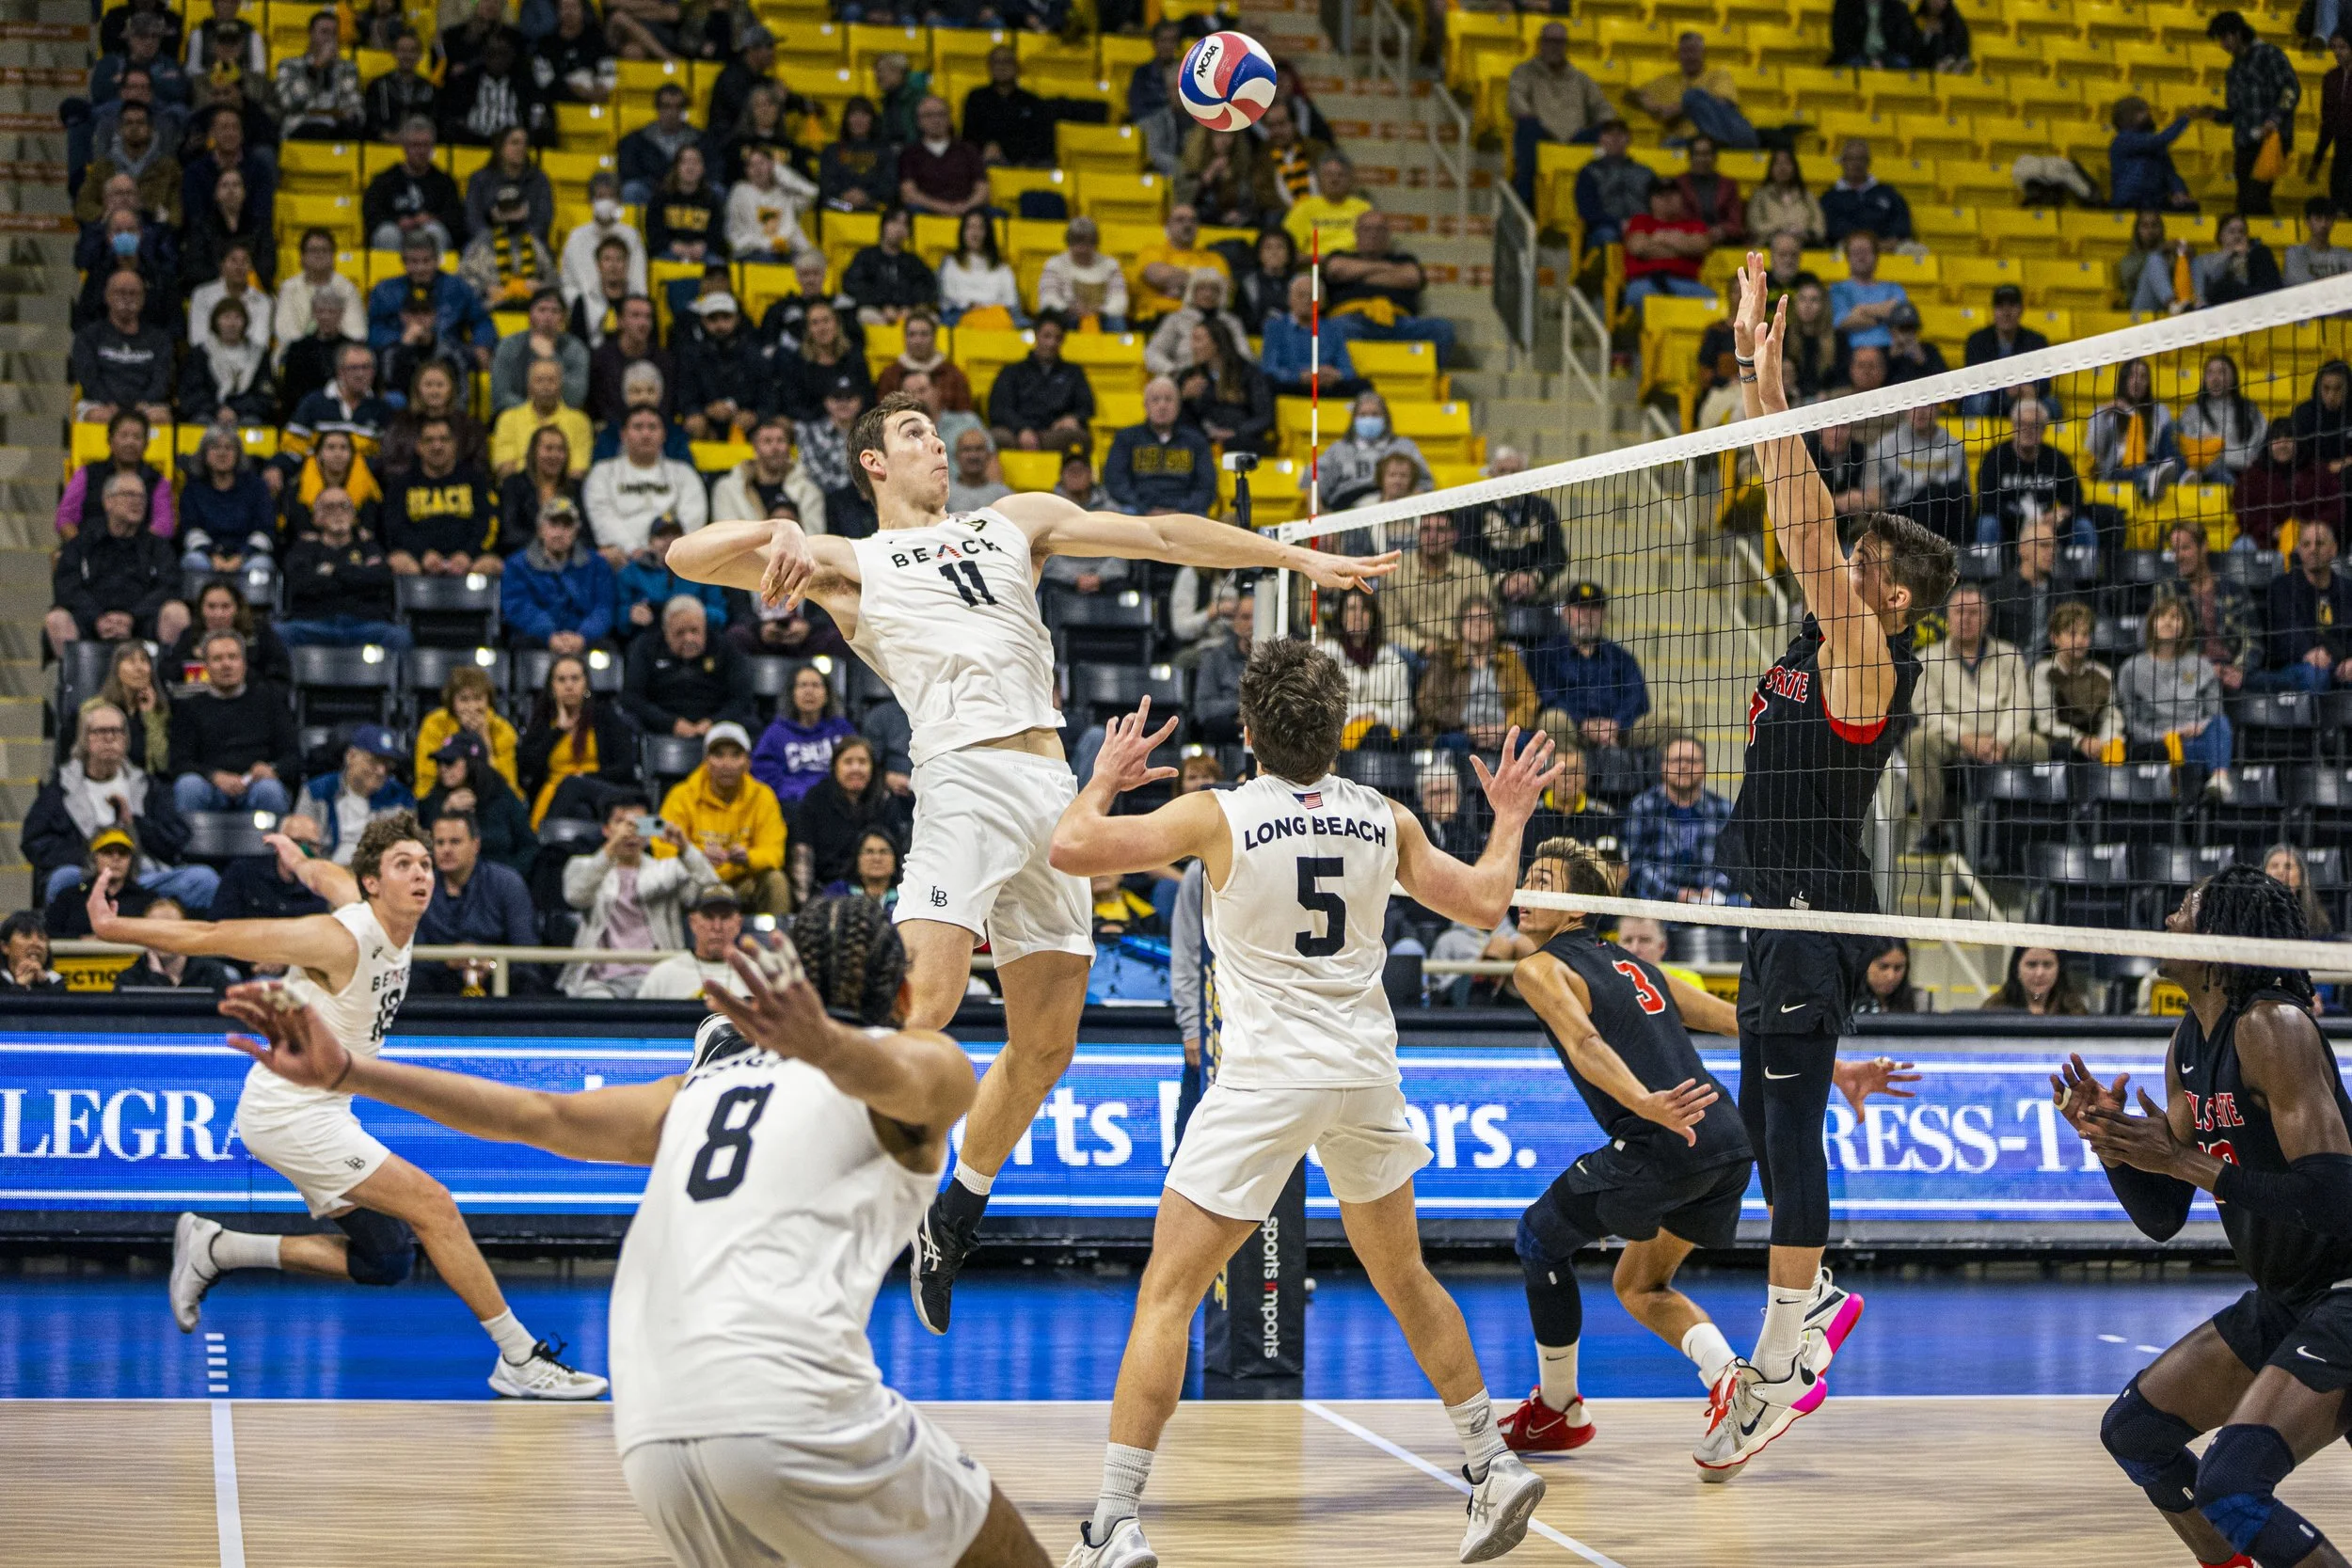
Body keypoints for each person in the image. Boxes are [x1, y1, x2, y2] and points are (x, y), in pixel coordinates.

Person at [663, 390, 1394, 1336]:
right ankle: (747, 1048)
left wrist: (1284, 556)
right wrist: (779, 530)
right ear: (872, 463)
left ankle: (953, 1213)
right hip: (962, 778)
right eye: (913, 431)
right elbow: (681, 556)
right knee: (921, 1010)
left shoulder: (1014, 518)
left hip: (1051, 787)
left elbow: (1161, 534)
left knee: (1048, 1044)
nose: (938, 440)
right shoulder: (853, 560)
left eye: (935, 426)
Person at [220, 898, 1055, 1565]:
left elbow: (533, 1115)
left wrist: (352, 1071)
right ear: (905, 995)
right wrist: (830, 1041)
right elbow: (921, 1082)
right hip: (787, 1412)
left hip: (651, 1438)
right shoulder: (923, 1060)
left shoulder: (700, 1089)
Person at [1050, 650, 1559, 1565]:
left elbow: (1070, 847)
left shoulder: (1219, 812)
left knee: (1166, 1292)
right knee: (1403, 1273)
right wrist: (1511, 815)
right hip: (1364, 1070)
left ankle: (1112, 1522)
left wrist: (1103, 779)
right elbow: (1486, 902)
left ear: (1246, 731)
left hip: (1266, 1077)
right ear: (1338, 731)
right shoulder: (1383, 814)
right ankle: (1490, 1462)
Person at [1701, 251, 1957, 1477]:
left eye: (1862, 564)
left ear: (1893, 597)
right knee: (1766, 1133)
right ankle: (1816, 1307)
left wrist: (1770, 380)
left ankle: (1781, 1364)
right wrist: (1763, 366)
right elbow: (1786, 498)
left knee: (1789, 1155)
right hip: (1775, 914)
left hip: (1814, 914)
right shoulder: (1821, 624)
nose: (1838, 564)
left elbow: (1802, 513)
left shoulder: (1870, 658)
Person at [107, 816, 603, 1396]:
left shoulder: (391, 909)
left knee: (385, 1259)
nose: (420, 873)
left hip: (327, 1106)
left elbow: (326, 875)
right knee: (434, 1207)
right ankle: (520, 1358)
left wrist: (296, 857)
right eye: (404, 865)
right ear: (375, 884)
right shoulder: (337, 939)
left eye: (423, 863)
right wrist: (110, 924)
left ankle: (216, 1248)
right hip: (289, 1112)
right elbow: (208, 935)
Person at [1498, 838, 1915, 1455]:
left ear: (1578, 905)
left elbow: (1584, 1043)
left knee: (1537, 1236)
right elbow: (1738, 1019)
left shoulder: (1537, 966)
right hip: (1724, 1141)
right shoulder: (1629, 962)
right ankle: (1731, 1379)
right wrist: (1836, 1066)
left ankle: (1560, 1408)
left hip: (1664, 1136)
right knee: (1640, 1284)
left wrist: (1643, 1103)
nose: (1525, 892)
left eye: (1543, 880)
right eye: (1526, 879)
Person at [2057, 868, 2352, 1568]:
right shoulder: (2189, 1041)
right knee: (2137, 1431)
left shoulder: (2273, 1026)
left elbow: (2337, 1197)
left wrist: (2184, 1160)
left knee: (2233, 1488)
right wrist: (2112, 1144)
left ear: (2222, 938)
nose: (2168, 915)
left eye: (2187, 907)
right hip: (2289, 1300)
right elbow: (2163, 1215)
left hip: (2344, 1295)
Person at [25, 705, 213, 911]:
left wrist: (134, 822)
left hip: (144, 876)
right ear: (85, 739)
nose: (109, 738)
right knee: (63, 878)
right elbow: (34, 841)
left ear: (126, 740)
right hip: (87, 876)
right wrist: (92, 859)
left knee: (203, 880)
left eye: (116, 731)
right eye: (100, 731)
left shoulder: (147, 786)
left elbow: (176, 839)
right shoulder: (61, 790)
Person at [1902, 581, 2042, 847]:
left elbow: (2020, 707)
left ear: (1986, 617)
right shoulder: (1926, 659)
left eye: (1974, 613)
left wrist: (2000, 740)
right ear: (1948, 617)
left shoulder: (2010, 656)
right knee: (1917, 742)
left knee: (2037, 746)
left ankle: (2021, 838)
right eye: (1959, 612)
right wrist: (1965, 739)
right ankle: (1936, 830)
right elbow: (1928, 711)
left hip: (2001, 739)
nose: (1966, 619)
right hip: (1952, 739)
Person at [658, 721, 790, 915]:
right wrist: (698, 856)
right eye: (718, 755)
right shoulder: (681, 795)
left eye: (736, 755)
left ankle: (776, 941)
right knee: (668, 879)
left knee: (776, 881)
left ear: (748, 762)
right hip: (696, 883)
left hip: (743, 883)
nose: (727, 763)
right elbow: (662, 849)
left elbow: (775, 852)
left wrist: (747, 857)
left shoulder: (763, 796)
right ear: (706, 761)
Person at [46, 471, 183, 658]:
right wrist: (97, 618)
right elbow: (67, 588)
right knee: (56, 618)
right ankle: (74, 684)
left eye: (142, 497)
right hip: (91, 622)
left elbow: (169, 587)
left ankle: (165, 680)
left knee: (177, 612)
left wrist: (132, 618)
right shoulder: (83, 542)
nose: (137, 502)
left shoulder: (158, 546)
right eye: (129, 495)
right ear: (107, 501)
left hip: (143, 622)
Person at [2118, 593, 2234, 776]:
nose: (2168, 622)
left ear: (2185, 626)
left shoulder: (2202, 666)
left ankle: (2219, 780)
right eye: (2162, 616)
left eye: (2175, 617)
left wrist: (2198, 726)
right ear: (2151, 624)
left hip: (2197, 736)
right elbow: (2131, 722)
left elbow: (2215, 715)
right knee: (2209, 752)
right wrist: (2167, 735)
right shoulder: (2130, 668)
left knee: (2220, 725)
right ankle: (2216, 777)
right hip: (2158, 742)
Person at [1524, 582, 1649, 752]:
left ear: (1604, 615)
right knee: (1553, 719)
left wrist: (1615, 724)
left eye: (1594, 609)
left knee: (1666, 721)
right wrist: (1583, 722)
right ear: (1566, 613)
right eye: (1580, 608)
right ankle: (1564, 775)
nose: (1587, 615)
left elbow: (1637, 699)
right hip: (1571, 728)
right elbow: (1546, 698)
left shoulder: (1622, 657)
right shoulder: (1544, 654)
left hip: (1618, 733)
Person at [279, 489, 410, 651]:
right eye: (330, 507)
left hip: (365, 624)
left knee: (399, 636)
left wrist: (333, 570)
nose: (338, 513)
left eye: (344, 506)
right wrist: (356, 575)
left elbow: (381, 579)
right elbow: (301, 584)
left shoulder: (369, 547)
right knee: (280, 633)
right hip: (315, 624)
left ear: (354, 515)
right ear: (316, 517)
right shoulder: (303, 548)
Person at [1320, 210, 1457, 361]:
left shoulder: (1404, 259)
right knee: (1333, 329)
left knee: (1442, 329)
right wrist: (1388, 270)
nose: (1374, 234)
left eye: (1380, 229)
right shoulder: (1340, 255)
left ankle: (1425, 379)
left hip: (1399, 323)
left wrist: (1357, 275)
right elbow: (1336, 270)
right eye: (1367, 229)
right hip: (1352, 320)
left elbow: (1412, 278)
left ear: (1388, 234)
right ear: (1356, 232)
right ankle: (1349, 381)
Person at [2206, 10, 2301, 216]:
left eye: (2224, 37)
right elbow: (2234, 112)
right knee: (2244, 203)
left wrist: (2274, 119)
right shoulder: (2233, 69)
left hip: (2271, 139)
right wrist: (2212, 114)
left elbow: (2291, 89)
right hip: (2245, 142)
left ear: (2238, 33)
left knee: (2255, 200)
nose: (2222, 44)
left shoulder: (2269, 54)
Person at [1623, 736, 1738, 905]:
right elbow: (1636, 863)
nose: (1683, 766)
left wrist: (1716, 890)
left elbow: (1734, 863)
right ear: (1663, 766)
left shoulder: (1724, 809)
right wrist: (1675, 894)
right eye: (1676, 760)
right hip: (1657, 901)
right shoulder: (1641, 807)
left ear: (1705, 767)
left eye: (1691, 761)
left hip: (1714, 901)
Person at [1507, 23, 1611, 209]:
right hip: (1541, 137)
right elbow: (1515, 98)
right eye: (1550, 41)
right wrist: (1529, 116)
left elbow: (1601, 106)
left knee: (1607, 132)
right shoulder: (1524, 72)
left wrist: (1607, 121)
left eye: (1560, 42)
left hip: (1575, 140)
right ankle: (1526, 200)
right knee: (1527, 128)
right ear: (1541, 43)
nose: (1555, 46)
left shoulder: (1580, 78)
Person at [1416, 596, 1537, 750]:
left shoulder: (1510, 658)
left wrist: (1505, 728)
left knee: (1524, 743)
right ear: (1460, 625)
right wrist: (1466, 728)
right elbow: (1427, 703)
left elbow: (1529, 701)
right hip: (1459, 732)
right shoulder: (1444, 659)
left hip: (1504, 732)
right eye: (1470, 619)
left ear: (1495, 625)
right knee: (1452, 742)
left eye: (1485, 619)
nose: (1478, 624)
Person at [418, 731, 534, 878]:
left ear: (472, 763)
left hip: (498, 883)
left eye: (450, 762)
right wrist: (444, 812)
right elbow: (420, 848)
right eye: (439, 762)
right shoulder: (434, 800)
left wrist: (508, 876)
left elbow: (529, 846)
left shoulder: (501, 795)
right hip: (448, 884)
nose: (443, 768)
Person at [2163, 522, 2264, 691]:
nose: (2178, 556)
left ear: (2204, 547)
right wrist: (2205, 668)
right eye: (2175, 550)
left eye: (2185, 548)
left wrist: (2239, 669)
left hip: (2233, 670)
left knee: (2281, 681)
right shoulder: (2168, 591)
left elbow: (2253, 640)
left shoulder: (2235, 590)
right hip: (2189, 675)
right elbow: (2165, 644)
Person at [2256, 515, 2352, 691]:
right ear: (2299, 550)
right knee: (2316, 676)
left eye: (2320, 543)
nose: (2313, 550)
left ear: (2334, 549)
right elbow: (2286, 633)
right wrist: (2309, 653)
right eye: (2306, 544)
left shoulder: (2347, 588)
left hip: (2341, 664)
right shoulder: (2282, 587)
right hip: (2297, 666)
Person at [794, 738, 905, 890]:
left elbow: (897, 857)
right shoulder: (815, 799)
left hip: (878, 888)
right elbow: (803, 853)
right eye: (848, 762)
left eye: (862, 762)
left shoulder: (885, 801)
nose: (856, 769)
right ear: (835, 767)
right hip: (826, 889)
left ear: (872, 768)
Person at [69, 271, 174, 425]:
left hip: (146, 405)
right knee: (98, 417)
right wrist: (108, 402)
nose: (127, 298)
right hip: (101, 403)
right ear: (107, 296)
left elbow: (161, 379)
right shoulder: (88, 336)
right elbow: (88, 377)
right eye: (120, 292)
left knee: (160, 418)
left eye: (133, 293)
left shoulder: (160, 339)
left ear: (143, 298)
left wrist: (144, 402)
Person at [1104, 376, 1217, 515]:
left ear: (1178, 406)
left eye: (1169, 399)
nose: (1162, 406)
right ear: (1146, 405)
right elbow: (1116, 482)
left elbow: (1206, 487)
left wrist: (1179, 510)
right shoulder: (1126, 438)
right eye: (1155, 400)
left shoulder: (1196, 441)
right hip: (1138, 511)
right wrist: (1145, 509)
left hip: (1185, 514)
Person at [751, 663, 857, 811]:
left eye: (816, 685)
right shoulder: (776, 733)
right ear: (792, 694)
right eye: (802, 685)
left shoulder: (841, 729)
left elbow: (856, 764)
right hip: (792, 806)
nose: (809, 691)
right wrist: (803, 794)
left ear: (827, 695)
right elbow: (764, 774)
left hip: (837, 804)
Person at [988, 313, 1095, 458]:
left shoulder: (1073, 372)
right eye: (1047, 336)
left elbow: (1086, 406)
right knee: (993, 438)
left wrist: (1073, 418)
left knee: (1079, 437)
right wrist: (1022, 430)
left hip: (1055, 434)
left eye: (1057, 338)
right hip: (1016, 433)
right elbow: (1000, 409)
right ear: (1036, 335)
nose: (1051, 343)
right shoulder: (1012, 371)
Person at [1314, 589, 1412, 744]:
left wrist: (1374, 715)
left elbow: (1404, 718)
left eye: (1364, 609)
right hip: (1338, 741)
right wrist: (1356, 717)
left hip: (1384, 739)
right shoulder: (1325, 657)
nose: (1358, 615)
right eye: (1352, 608)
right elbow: (1321, 712)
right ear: (1341, 615)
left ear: (1373, 616)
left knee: (1380, 735)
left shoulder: (1394, 662)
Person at [1632, 31, 1756, 149]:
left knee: (1693, 96)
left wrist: (1675, 109)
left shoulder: (1718, 75)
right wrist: (1647, 103)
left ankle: (1718, 144)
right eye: (1685, 52)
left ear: (1703, 53)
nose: (1689, 57)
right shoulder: (1666, 81)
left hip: (1715, 136)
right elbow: (1631, 94)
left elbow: (1723, 103)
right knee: (1667, 147)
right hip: (1683, 140)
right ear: (1678, 55)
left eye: (1694, 51)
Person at [1620, 182, 1716, 309]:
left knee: (1710, 300)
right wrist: (1680, 244)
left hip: (1686, 283)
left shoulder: (1694, 225)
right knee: (1637, 294)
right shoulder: (1640, 221)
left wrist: (1658, 239)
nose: (1667, 199)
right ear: (1651, 200)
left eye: (1672, 194)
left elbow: (1700, 246)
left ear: (1682, 198)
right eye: (1660, 195)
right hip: (1646, 281)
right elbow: (1637, 248)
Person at [2179, 354, 2270, 486]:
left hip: (2244, 471)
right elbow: (2191, 451)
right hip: (2208, 473)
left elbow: (2259, 445)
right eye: (2210, 373)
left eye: (2222, 372)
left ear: (2233, 377)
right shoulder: (2192, 412)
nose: (2215, 379)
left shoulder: (2250, 410)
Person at [87, 638, 172, 774]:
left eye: (144, 661)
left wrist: (149, 715)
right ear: (117, 670)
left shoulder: (160, 709)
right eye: (131, 661)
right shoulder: (94, 709)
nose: (139, 668)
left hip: (147, 784)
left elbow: (162, 763)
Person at [725, 144, 818, 265]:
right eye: (752, 165)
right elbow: (734, 235)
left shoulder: (784, 193)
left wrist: (782, 173)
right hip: (752, 251)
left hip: (785, 251)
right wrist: (769, 244)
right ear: (746, 171)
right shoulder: (740, 191)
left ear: (771, 166)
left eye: (762, 163)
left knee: (813, 262)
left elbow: (813, 194)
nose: (758, 169)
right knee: (770, 260)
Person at [276, 10, 363, 140]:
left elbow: (355, 106)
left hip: (337, 127)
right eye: (324, 32)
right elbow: (288, 103)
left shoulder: (347, 68)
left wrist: (350, 115)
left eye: (333, 33)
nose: (329, 38)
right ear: (311, 34)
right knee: (318, 130)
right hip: (303, 125)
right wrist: (315, 68)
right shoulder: (290, 65)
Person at [898, 95, 989, 218]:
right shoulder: (910, 153)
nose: (936, 120)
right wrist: (943, 208)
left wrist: (966, 207)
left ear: (950, 119)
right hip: (926, 212)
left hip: (966, 213)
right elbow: (908, 193)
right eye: (929, 115)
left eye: (941, 114)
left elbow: (983, 189)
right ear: (919, 121)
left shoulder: (968, 150)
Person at [962, 45, 1052, 168]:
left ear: (1017, 67)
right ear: (989, 67)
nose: (1002, 66)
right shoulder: (976, 98)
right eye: (996, 62)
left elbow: (1041, 141)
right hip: (986, 161)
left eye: (1007, 61)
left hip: (1024, 164)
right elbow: (969, 135)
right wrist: (986, 147)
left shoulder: (1033, 102)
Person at [1571, 120, 1652, 253]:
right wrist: (1619, 224)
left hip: (1642, 228)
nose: (1615, 138)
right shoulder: (1589, 172)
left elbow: (1657, 205)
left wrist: (1640, 225)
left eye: (1620, 134)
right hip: (1606, 228)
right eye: (1609, 134)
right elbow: (1587, 212)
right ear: (1601, 139)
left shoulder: (1645, 172)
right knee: (1607, 235)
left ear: (1629, 138)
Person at [1036, 216, 1129, 331]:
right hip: (1067, 315)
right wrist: (1070, 309)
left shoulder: (1110, 265)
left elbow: (1120, 301)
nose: (1082, 249)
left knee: (1116, 321)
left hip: (1102, 317)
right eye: (1077, 243)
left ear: (1095, 243)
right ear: (1068, 242)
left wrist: (1098, 310)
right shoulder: (1054, 264)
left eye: (1088, 243)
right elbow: (1048, 300)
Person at [1178, 126, 1278, 230]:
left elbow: (1254, 202)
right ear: (1207, 138)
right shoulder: (1192, 168)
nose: (1224, 140)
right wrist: (1206, 178)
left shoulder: (1245, 167)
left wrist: (1241, 214)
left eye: (1229, 135)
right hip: (1204, 225)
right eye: (1218, 134)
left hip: (1241, 225)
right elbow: (1184, 204)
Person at [2109, 98, 2198, 214]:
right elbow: (2159, 140)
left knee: (2190, 208)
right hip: (2129, 202)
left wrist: (2179, 192)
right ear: (2126, 119)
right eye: (2139, 111)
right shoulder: (2122, 140)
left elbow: (2170, 172)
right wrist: (2185, 119)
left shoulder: (2156, 145)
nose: (2147, 114)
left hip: (2156, 202)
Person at [1820, 138, 1913, 246]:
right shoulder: (1830, 197)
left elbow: (1901, 221)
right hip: (1847, 246)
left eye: (1861, 159)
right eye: (1851, 159)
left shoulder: (1888, 193)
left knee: (1916, 251)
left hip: (1888, 245)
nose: (1856, 163)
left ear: (1868, 162)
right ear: (1842, 162)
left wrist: (1890, 241)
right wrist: (1861, 244)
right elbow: (1831, 229)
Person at [938, 211, 1025, 326]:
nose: (975, 233)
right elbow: (947, 296)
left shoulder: (1002, 267)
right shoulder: (950, 263)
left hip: (996, 316)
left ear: (987, 233)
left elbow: (1011, 301)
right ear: (962, 232)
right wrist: (970, 306)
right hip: (958, 315)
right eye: (970, 227)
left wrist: (987, 308)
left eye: (980, 228)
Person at [818, 94, 897, 214]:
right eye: (854, 114)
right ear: (846, 119)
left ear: (872, 119)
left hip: (874, 205)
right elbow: (826, 184)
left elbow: (889, 185)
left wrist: (867, 196)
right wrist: (844, 195)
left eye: (864, 115)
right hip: (839, 205)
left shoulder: (885, 151)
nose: (858, 120)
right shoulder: (831, 151)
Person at [1979, 945, 2091, 1015]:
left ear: (2059, 970)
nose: (2039, 973)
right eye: (2031, 965)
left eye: (2047, 965)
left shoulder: (2074, 1012)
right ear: (2016, 969)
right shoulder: (1994, 1010)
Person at [1746, 149, 1824, 247]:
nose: (1782, 168)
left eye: (1787, 163)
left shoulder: (1807, 196)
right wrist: (1780, 230)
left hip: (1804, 245)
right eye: (1777, 163)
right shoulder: (1760, 196)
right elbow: (1754, 225)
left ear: (1794, 168)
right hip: (1769, 245)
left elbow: (1819, 226)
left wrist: (1806, 233)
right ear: (1771, 169)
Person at [2314, 31, 2352, 214]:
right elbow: (2328, 119)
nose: (2337, 52)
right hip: (2342, 145)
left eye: (2342, 47)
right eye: (2334, 47)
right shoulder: (2330, 78)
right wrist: (2318, 156)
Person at [1852, 937, 1920, 1014]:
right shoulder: (1845, 1002)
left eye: (1898, 968)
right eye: (1883, 967)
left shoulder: (1920, 1002)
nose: (1891, 976)